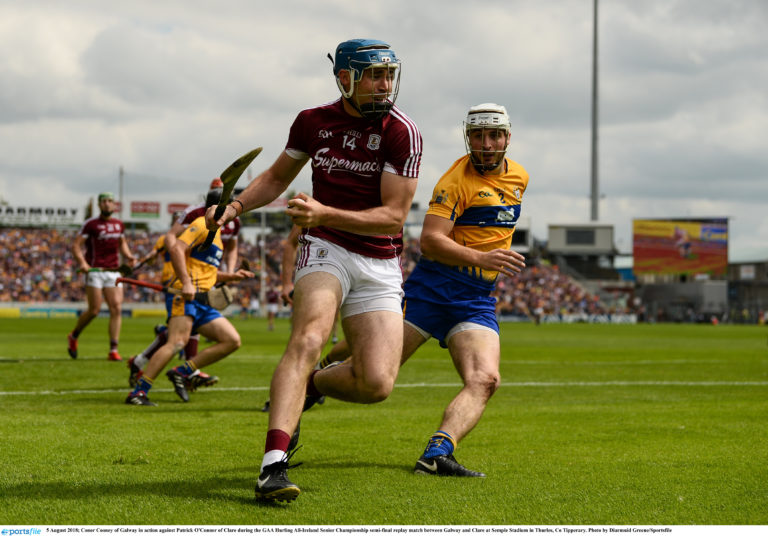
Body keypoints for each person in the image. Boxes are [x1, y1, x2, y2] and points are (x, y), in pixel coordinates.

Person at [206, 38, 421, 502]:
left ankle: (314, 383)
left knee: (377, 384)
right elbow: (276, 179)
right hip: (326, 249)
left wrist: (324, 212)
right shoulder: (312, 122)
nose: (385, 84)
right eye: (374, 75)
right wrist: (237, 206)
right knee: (307, 338)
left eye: (389, 74)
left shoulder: (402, 131)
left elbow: (393, 216)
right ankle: (273, 465)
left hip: (380, 258)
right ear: (345, 78)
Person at [312, 103, 528, 477]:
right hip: (431, 291)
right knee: (371, 380)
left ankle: (437, 453)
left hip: (475, 299)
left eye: (495, 134)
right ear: (468, 137)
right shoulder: (454, 183)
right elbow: (429, 240)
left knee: (486, 380)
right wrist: (484, 258)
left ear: (508, 137)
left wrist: (485, 264)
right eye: (478, 135)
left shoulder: (520, 177)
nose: (487, 143)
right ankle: (311, 380)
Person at [125, 192, 253, 406]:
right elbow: (175, 247)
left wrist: (233, 276)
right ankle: (138, 392)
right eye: (230, 206)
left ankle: (182, 371)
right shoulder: (202, 224)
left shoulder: (217, 234)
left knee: (232, 340)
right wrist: (185, 282)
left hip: (203, 298)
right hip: (185, 295)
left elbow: (207, 272)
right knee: (176, 342)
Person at [67, 192, 137, 361]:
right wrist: (83, 263)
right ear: (99, 205)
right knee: (94, 310)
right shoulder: (90, 224)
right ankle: (74, 336)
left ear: (114, 205)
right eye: (104, 201)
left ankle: (113, 349)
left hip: (113, 271)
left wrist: (128, 256)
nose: (107, 204)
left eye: (110, 201)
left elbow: (122, 243)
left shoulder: (119, 224)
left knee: (117, 308)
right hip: (95, 271)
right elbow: (76, 246)